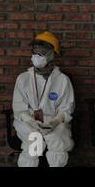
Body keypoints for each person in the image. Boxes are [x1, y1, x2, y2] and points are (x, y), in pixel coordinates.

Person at [12, 31, 75, 167]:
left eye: (41, 53)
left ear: (52, 54)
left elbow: (66, 108)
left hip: (53, 121)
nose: (36, 56)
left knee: (57, 141)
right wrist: (30, 121)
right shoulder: (23, 79)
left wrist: (55, 122)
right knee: (35, 140)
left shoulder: (62, 80)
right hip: (28, 122)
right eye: (34, 52)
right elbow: (19, 108)